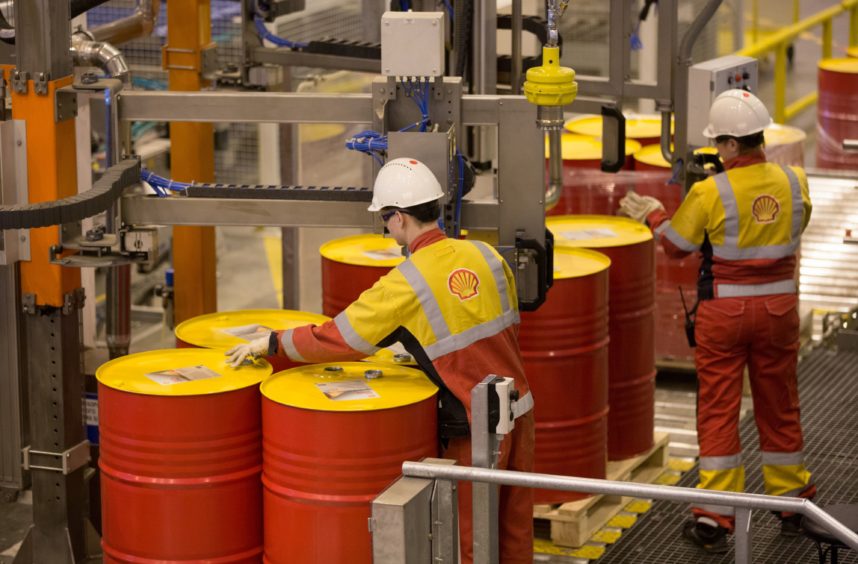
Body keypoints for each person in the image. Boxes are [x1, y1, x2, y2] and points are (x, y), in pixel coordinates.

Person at [227, 157, 535, 564]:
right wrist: (423, 354)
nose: (386, 230)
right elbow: (493, 325)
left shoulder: (405, 282)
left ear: (400, 218)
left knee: (470, 542)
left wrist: (273, 341)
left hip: (476, 424)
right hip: (520, 406)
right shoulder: (485, 254)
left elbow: (340, 339)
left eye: (385, 219)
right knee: (514, 533)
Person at [619, 90, 815, 554]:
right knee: (780, 403)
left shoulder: (709, 192)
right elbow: (793, 225)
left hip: (724, 313)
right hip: (779, 310)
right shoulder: (795, 181)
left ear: (727, 145)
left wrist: (654, 214)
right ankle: (793, 502)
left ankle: (715, 515)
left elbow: (677, 245)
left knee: (719, 409)